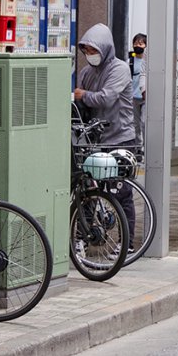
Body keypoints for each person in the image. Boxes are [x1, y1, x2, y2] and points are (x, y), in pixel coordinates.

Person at [73, 23, 136, 242]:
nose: (90, 55)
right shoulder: (85, 72)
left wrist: (83, 95)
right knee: (88, 191)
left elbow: (107, 97)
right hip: (95, 140)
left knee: (120, 193)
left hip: (120, 137)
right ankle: (83, 239)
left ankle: (126, 243)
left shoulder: (119, 68)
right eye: (86, 51)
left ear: (105, 48)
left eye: (94, 50)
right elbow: (83, 104)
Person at [129, 33, 147, 146]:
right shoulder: (129, 62)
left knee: (145, 122)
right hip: (133, 97)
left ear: (146, 45)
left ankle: (146, 148)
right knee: (136, 124)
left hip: (145, 97)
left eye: (140, 43)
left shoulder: (148, 62)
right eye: (135, 43)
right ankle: (138, 147)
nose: (137, 46)